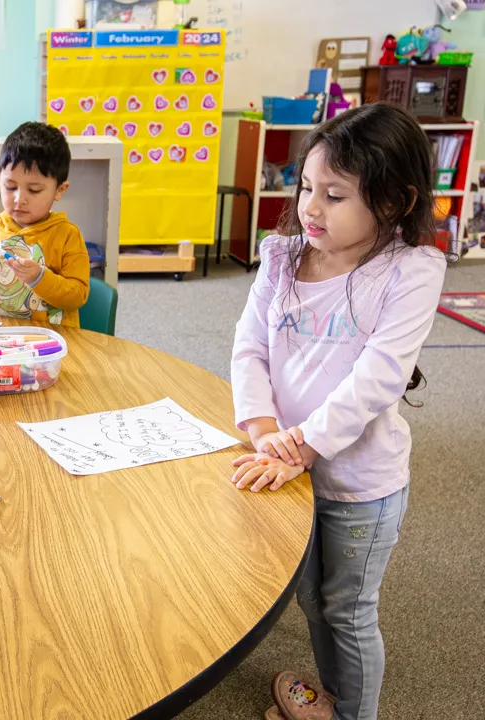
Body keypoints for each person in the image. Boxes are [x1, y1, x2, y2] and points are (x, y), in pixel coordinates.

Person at [228, 103, 446, 720]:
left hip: (359, 486)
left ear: (396, 201)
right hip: (286, 468)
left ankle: (354, 714)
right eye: (305, 187)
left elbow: (377, 379)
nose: (310, 207)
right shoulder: (280, 256)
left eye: (335, 194)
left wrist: (301, 445)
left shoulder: (410, 271)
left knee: (348, 610)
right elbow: (250, 347)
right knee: (311, 602)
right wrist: (263, 428)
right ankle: (329, 700)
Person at [0, 122, 90, 326]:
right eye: (10, 187)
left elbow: (78, 296)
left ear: (60, 190)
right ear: (0, 179)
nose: (19, 199)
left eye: (34, 190)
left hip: (50, 342)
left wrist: (40, 278)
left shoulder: (68, 236)